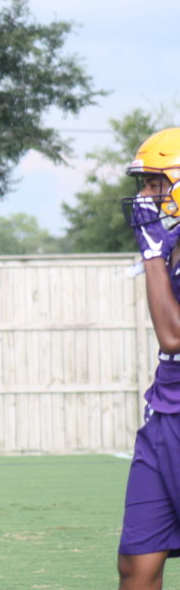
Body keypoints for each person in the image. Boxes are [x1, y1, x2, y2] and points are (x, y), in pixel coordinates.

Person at [117, 126, 180, 590]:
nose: (145, 194)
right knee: (136, 563)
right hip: (163, 415)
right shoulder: (173, 242)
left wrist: (154, 251)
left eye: (155, 183)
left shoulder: (164, 246)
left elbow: (174, 335)